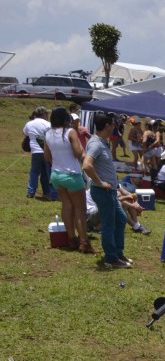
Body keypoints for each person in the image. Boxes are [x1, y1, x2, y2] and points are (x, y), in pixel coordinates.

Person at [82, 113, 131, 269]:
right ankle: (111, 258)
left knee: (121, 219)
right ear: (107, 126)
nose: (114, 127)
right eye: (112, 124)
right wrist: (100, 182)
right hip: (102, 191)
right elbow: (87, 165)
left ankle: (117, 253)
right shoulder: (96, 144)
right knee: (109, 224)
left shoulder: (103, 143)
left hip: (110, 191)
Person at [42, 107, 92, 254]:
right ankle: (84, 242)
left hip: (56, 175)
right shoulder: (70, 132)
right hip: (72, 175)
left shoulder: (48, 133)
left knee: (67, 206)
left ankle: (71, 239)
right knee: (80, 210)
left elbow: (46, 157)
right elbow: (78, 153)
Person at [24, 106, 55, 200]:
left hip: (35, 151)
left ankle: (31, 191)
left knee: (34, 172)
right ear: (43, 114)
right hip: (46, 151)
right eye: (47, 113)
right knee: (48, 173)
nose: (48, 115)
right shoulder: (47, 124)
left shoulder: (29, 124)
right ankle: (50, 193)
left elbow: (25, 133)